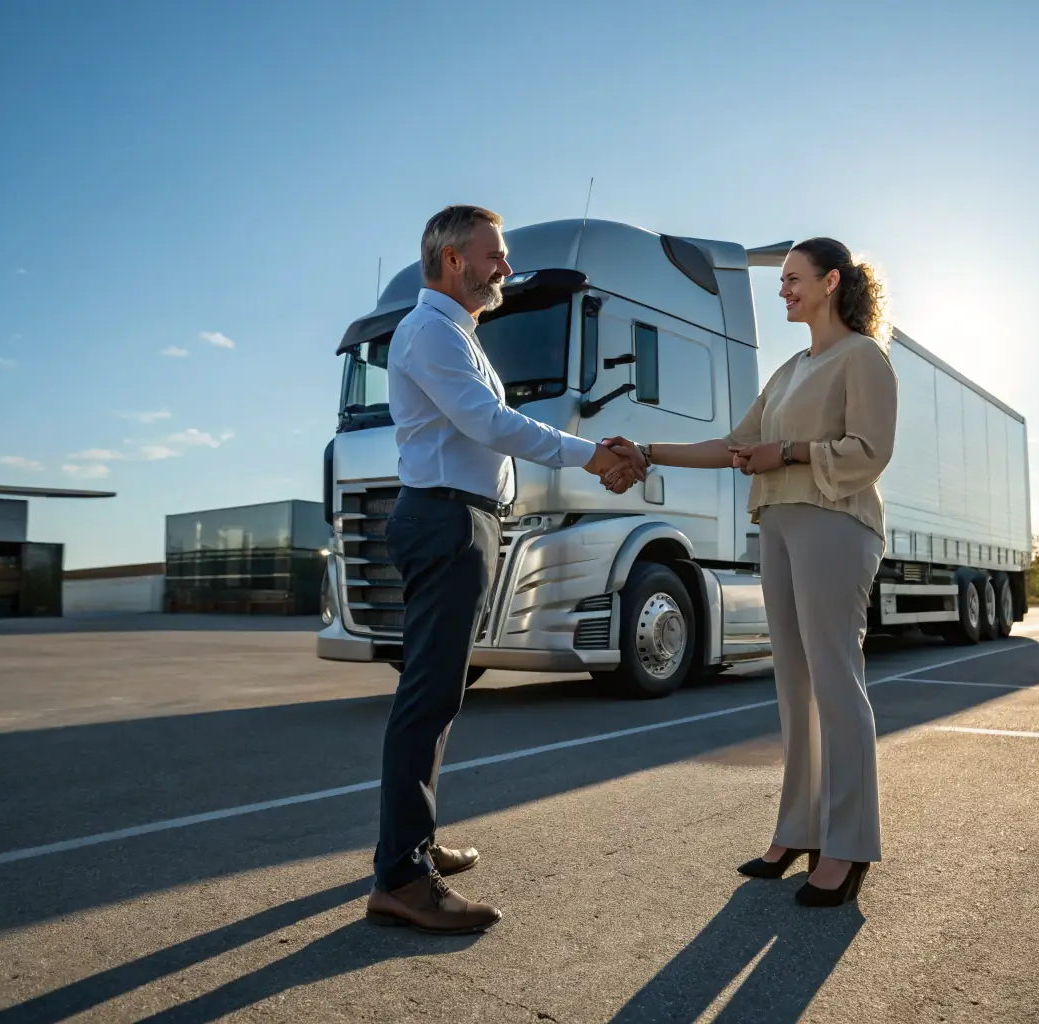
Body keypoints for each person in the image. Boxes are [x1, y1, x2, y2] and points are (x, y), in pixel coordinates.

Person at [365, 204, 644, 934]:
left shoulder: (453, 332)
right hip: (445, 519)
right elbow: (489, 424)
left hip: (461, 518)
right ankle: (399, 877)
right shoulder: (431, 331)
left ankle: (412, 847)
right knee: (428, 696)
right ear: (453, 259)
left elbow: (486, 427)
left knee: (441, 693)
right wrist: (592, 455)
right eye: (494, 255)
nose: (505, 268)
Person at [604, 237, 897, 908]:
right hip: (779, 526)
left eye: (793, 279)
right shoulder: (791, 368)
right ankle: (799, 828)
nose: (783, 290)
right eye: (781, 280)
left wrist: (787, 452)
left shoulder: (864, 358)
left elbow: (870, 452)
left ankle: (847, 845)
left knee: (834, 682)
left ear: (830, 282)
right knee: (792, 686)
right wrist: (647, 450)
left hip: (833, 523)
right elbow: (736, 447)